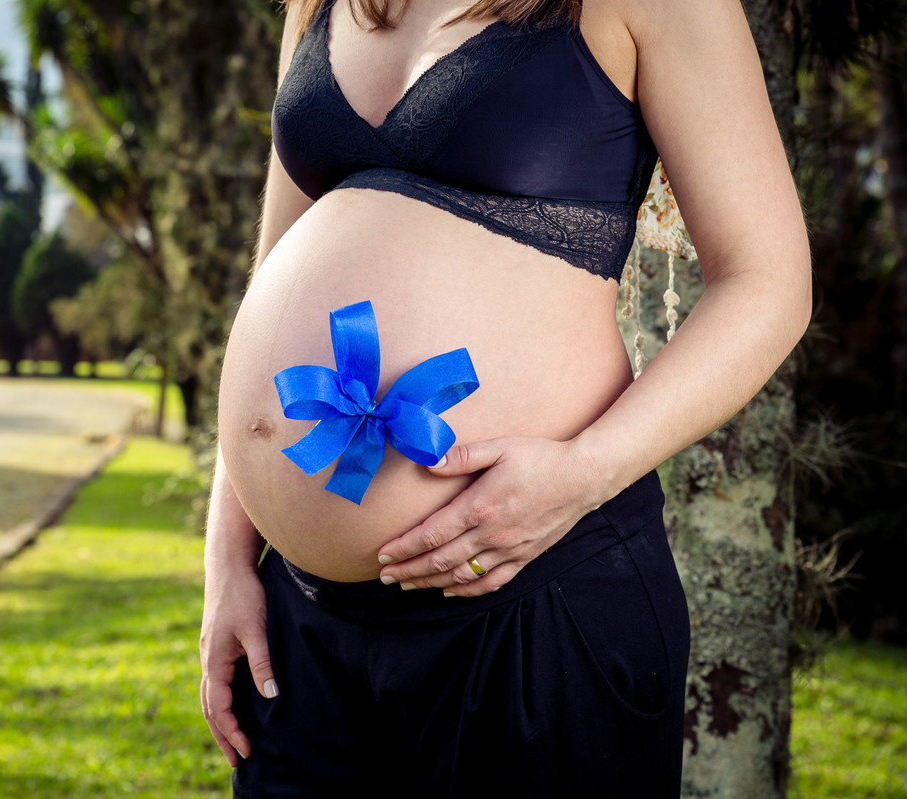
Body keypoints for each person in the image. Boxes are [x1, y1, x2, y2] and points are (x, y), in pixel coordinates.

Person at [200, 0, 812, 794]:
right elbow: (276, 273)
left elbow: (769, 285)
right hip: (305, 625)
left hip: (530, 595)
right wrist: (229, 557)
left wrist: (585, 470)